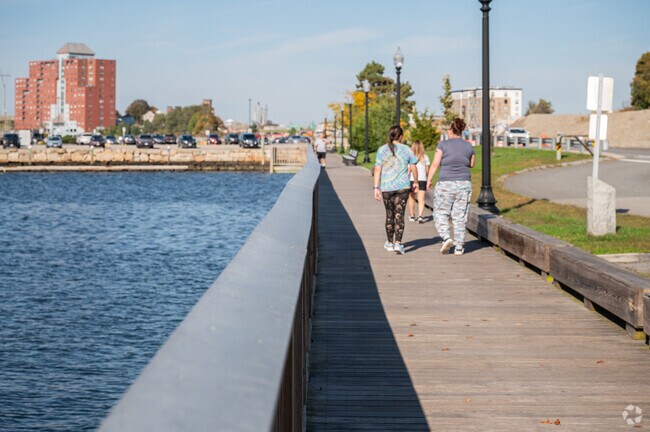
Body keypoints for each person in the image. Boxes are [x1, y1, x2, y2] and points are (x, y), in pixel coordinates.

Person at [426, 117, 475, 256]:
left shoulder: (443, 145)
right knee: (460, 216)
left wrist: (429, 179)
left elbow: (435, 163)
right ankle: (459, 247)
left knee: (440, 213)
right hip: (464, 184)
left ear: (451, 131)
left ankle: (447, 238)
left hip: (446, 183)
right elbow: (471, 164)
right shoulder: (468, 146)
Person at [373, 125, 418, 255]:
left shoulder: (381, 150)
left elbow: (377, 169)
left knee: (389, 215)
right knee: (400, 215)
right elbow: (414, 167)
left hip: (387, 187)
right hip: (403, 187)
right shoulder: (407, 149)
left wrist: (376, 187)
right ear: (401, 136)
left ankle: (389, 243)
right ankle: (398, 243)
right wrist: (415, 181)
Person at [407, 140, 430, 224]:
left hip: (412, 180)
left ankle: (412, 216)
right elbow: (427, 170)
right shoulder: (425, 157)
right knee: (421, 199)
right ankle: (420, 216)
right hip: (422, 180)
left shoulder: (410, 157)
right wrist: (428, 179)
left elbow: (409, 170)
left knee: (411, 198)